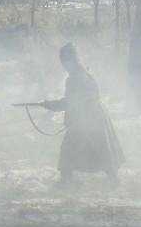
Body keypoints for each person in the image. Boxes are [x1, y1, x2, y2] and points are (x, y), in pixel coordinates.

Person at [40, 43, 124, 186]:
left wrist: (50, 105)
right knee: (84, 148)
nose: (64, 65)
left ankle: (69, 180)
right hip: (89, 117)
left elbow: (70, 102)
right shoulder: (82, 74)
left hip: (90, 118)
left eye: (65, 61)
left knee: (90, 148)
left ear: (72, 60)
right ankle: (68, 179)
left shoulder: (76, 78)